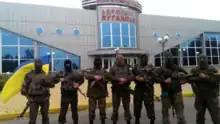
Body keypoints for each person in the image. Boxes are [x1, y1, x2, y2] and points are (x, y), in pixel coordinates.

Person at [155, 52, 187, 124]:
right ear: (165, 59)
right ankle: (166, 121)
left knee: (179, 110)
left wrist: (180, 77)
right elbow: (155, 78)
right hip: (165, 92)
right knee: (165, 110)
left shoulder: (177, 68)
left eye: (170, 58)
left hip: (177, 92)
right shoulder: (162, 69)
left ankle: (181, 121)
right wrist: (164, 81)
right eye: (167, 58)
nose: (169, 59)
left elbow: (187, 76)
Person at [20, 59, 56, 124]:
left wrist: (47, 82)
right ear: (35, 66)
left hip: (44, 99)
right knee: (32, 120)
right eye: (37, 65)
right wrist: (28, 97)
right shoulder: (29, 75)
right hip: (33, 100)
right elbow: (23, 88)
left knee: (45, 118)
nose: (38, 67)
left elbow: (52, 85)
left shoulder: (46, 74)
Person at [189, 54, 220, 124]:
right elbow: (189, 78)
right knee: (200, 117)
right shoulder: (194, 70)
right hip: (200, 96)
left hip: (211, 96)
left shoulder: (212, 69)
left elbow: (218, 79)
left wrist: (207, 77)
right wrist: (198, 78)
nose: (202, 62)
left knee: (216, 117)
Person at [107, 54, 134, 124]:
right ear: (116, 60)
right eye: (118, 59)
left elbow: (132, 76)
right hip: (116, 90)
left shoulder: (127, 67)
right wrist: (118, 79)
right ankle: (114, 121)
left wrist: (125, 79)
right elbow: (109, 76)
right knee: (115, 109)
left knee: (127, 108)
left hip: (125, 90)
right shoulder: (113, 67)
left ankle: (128, 121)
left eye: (121, 59)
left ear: (123, 59)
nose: (119, 60)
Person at [58, 59, 84, 124]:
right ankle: (61, 121)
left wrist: (78, 84)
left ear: (71, 64)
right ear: (64, 65)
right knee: (63, 111)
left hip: (73, 94)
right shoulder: (62, 73)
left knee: (74, 111)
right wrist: (59, 79)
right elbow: (54, 79)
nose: (67, 65)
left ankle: (75, 122)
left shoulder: (75, 73)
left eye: (68, 64)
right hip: (64, 94)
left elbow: (82, 79)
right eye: (66, 64)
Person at [84, 57, 108, 124]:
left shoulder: (104, 71)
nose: (97, 63)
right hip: (92, 93)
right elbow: (85, 75)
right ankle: (91, 121)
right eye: (96, 61)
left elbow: (107, 78)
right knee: (91, 110)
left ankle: (103, 121)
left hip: (102, 93)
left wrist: (101, 78)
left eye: (98, 61)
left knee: (102, 109)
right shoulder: (90, 70)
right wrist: (94, 77)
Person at [132, 54, 155, 124]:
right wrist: (137, 78)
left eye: (146, 58)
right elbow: (132, 76)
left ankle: (152, 119)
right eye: (143, 58)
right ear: (140, 59)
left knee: (149, 105)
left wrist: (146, 79)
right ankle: (137, 118)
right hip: (139, 88)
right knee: (137, 105)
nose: (144, 60)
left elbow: (155, 77)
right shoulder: (136, 67)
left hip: (148, 88)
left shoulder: (150, 67)